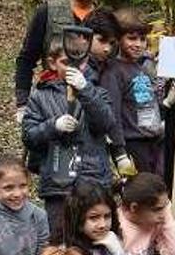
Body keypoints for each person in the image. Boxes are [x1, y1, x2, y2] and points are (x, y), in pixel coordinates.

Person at [22, 38, 120, 239]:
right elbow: (28, 136)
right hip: (58, 182)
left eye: (80, 62)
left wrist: (86, 91)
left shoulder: (98, 92)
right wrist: (53, 126)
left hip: (93, 180)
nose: (74, 68)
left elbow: (106, 124)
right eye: (66, 62)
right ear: (52, 63)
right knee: (60, 237)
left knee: (94, 238)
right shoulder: (40, 95)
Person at [15, 0, 102, 122]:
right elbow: (26, 59)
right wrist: (22, 103)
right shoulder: (47, 12)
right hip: (52, 103)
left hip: (94, 104)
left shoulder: (105, 16)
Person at [100, 8, 175, 177]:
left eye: (142, 39)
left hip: (154, 140)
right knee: (139, 191)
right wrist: (120, 154)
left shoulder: (140, 68)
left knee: (155, 188)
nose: (138, 44)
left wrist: (166, 104)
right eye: (131, 38)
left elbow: (144, 103)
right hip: (133, 143)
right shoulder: (113, 72)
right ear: (118, 39)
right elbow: (112, 115)